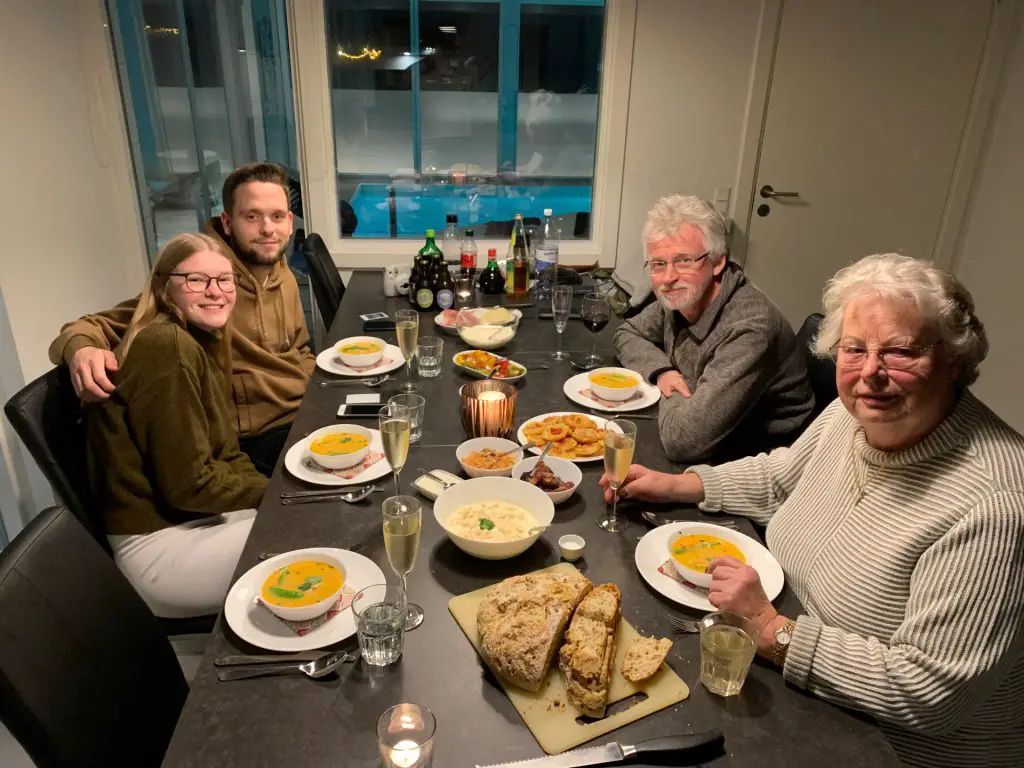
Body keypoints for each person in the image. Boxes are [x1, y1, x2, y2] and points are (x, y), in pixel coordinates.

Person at [601, 253, 1024, 767]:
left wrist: (772, 630)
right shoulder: (851, 418)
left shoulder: (994, 503)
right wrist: (677, 484)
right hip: (797, 670)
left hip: (885, 746)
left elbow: (929, 691)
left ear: (954, 360)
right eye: (854, 349)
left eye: (900, 351)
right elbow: (780, 478)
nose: (871, 372)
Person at [50, 162, 315, 475]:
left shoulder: (282, 273)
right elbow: (87, 327)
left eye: (276, 216)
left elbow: (299, 349)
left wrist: (321, 397)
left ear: (288, 221)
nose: (267, 229)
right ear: (228, 222)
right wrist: (81, 348)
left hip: (302, 413)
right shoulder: (201, 282)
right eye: (252, 216)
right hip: (251, 440)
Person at [87, 233, 268, 618]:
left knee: (316, 516)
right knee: (324, 535)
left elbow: (228, 454)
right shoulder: (166, 346)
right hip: (159, 548)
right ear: (163, 286)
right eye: (196, 280)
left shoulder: (196, 338)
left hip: (195, 521)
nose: (215, 291)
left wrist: (278, 496)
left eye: (224, 279)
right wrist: (277, 494)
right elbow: (189, 486)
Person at [613, 195, 813, 464]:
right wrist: (663, 372)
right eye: (658, 264)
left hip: (758, 461)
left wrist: (672, 388)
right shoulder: (683, 297)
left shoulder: (750, 329)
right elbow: (626, 333)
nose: (669, 278)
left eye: (684, 261)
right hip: (705, 431)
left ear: (717, 262)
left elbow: (683, 441)